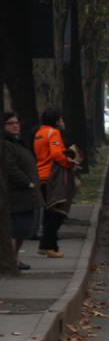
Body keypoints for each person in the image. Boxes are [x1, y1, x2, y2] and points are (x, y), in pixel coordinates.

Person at [34, 107, 77, 258]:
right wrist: (70, 163)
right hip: (53, 176)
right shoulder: (54, 133)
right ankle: (48, 244)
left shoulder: (39, 133)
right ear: (57, 121)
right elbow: (57, 154)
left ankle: (47, 246)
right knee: (59, 212)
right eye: (61, 119)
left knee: (48, 212)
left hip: (41, 175)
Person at [4, 112, 43, 270]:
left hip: (25, 195)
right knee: (16, 229)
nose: (15, 125)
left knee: (22, 230)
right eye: (10, 123)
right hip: (16, 194)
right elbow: (10, 168)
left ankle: (15, 259)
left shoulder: (17, 142)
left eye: (17, 122)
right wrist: (27, 182)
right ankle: (11, 261)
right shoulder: (6, 144)